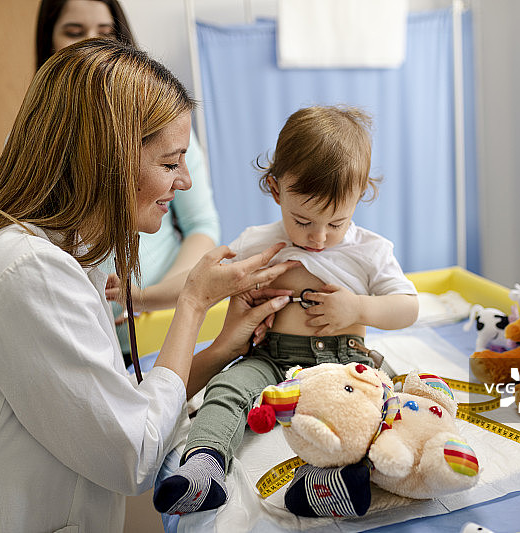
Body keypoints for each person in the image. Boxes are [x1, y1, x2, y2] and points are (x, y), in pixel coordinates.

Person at [0, 39, 298, 532]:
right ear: (106, 157)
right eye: (170, 163)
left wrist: (219, 351)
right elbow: (135, 455)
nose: (185, 181)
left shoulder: (58, 257)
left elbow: (116, 409)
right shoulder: (25, 272)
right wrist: (192, 301)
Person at [153, 105, 420, 516]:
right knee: (225, 391)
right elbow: (197, 281)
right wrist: (138, 298)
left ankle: (325, 483)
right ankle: (204, 467)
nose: (317, 237)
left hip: (342, 363)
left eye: (336, 223)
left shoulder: (370, 251)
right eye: (303, 220)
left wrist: (357, 307)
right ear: (276, 190)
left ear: (360, 195)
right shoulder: (259, 241)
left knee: (371, 410)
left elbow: (408, 308)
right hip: (269, 358)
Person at [36, 0, 222, 363]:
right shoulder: (41, 144)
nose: (92, 45)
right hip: (89, 341)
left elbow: (202, 224)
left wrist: (153, 296)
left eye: (105, 33)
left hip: (158, 327)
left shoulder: (167, 122)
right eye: (74, 33)